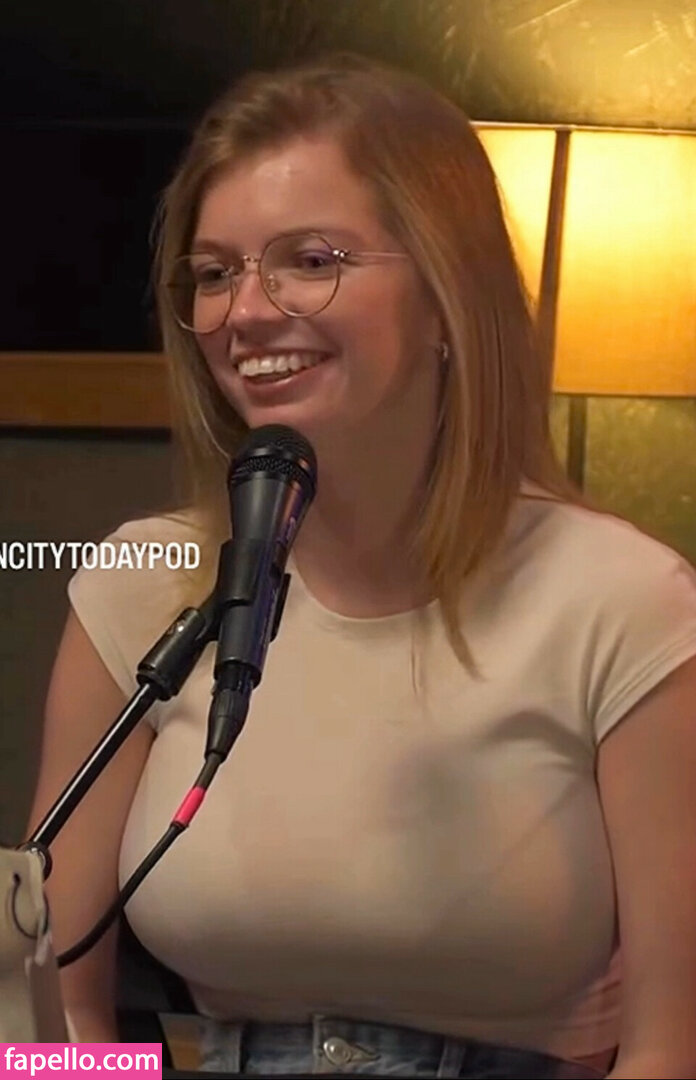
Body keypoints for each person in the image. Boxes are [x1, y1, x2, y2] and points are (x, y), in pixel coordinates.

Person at [28, 53, 696, 1078]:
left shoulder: (627, 603)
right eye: (215, 273)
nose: (247, 311)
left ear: (445, 294)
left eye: (309, 259)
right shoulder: (141, 581)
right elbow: (44, 1017)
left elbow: (671, 1047)